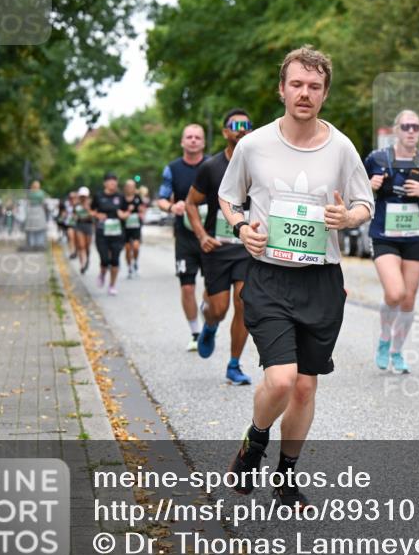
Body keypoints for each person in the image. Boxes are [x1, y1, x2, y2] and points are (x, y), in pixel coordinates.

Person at [218, 46, 373, 508]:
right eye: (297, 84)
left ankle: (286, 478)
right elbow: (229, 199)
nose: (305, 93)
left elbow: (365, 204)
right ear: (281, 89)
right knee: (281, 380)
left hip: (320, 280)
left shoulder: (341, 147)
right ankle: (255, 440)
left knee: (306, 385)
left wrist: (347, 218)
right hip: (268, 277)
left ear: (325, 93)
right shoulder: (253, 145)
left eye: (315, 86)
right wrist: (244, 228)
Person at [364, 110, 419, 373]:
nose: (411, 131)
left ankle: (397, 352)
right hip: (384, 236)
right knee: (395, 293)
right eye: (406, 126)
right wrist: (370, 185)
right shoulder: (376, 159)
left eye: (416, 127)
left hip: (414, 236)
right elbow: (353, 192)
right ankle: (384, 339)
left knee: (409, 300)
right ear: (396, 130)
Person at [186, 108, 254, 385]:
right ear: (225, 132)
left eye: (246, 125)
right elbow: (191, 203)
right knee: (219, 308)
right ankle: (210, 324)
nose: (240, 129)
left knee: (244, 303)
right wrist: (202, 235)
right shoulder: (211, 167)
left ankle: (234, 365)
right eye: (234, 125)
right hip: (217, 247)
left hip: (247, 247)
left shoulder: (261, 165)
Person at [158, 124, 209, 351]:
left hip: (209, 235)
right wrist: (172, 207)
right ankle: (195, 332)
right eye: (189, 137)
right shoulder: (172, 169)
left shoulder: (212, 165)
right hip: (184, 237)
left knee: (213, 289)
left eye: (197, 137)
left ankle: (209, 315)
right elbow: (161, 199)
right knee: (187, 287)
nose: (193, 140)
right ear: (182, 142)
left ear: (203, 142)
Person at [92, 172, 126, 295]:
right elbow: (91, 210)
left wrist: (123, 215)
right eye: (110, 181)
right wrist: (97, 215)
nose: (113, 183)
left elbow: (125, 212)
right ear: (105, 183)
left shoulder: (120, 197)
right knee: (105, 259)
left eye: (115, 180)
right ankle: (102, 273)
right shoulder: (98, 196)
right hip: (102, 232)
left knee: (115, 260)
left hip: (117, 232)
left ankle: (112, 285)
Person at [121, 179, 145, 279]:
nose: (131, 188)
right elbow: (118, 211)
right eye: (129, 186)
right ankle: (129, 267)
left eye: (133, 186)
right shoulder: (121, 199)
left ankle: (135, 262)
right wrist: (126, 212)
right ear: (126, 188)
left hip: (136, 226)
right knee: (127, 249)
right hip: (125, 227)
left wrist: (141, 212)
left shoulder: (138, 198)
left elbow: (143, 209)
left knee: (135, 247)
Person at [73, 187, 94, 273]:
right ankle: (82, 265)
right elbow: (74, 215)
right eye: (81, 196)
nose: (83, 198)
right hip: (79, 225)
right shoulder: (76, 204)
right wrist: (76, 217)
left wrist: (87, 208)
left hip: (88, 225)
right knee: (81, 246)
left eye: (84, 196)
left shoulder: (90, 204)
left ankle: (87, 259)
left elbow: (92, 215)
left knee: (87, 246)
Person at [24, 180, 48, 250]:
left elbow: (27, 201)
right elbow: (43, 202)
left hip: (31, 210)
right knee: (39, 228)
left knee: (31, 228)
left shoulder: (29, 193)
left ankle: (32, 243)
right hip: (38, 210)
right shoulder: (41, 193)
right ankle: (39, 244)